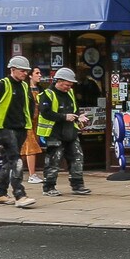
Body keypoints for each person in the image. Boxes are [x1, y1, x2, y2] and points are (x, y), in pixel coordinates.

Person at [0, 54, 37, 207]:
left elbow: (29, 106)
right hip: (4, 128)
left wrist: (26, 125)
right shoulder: (2, 84)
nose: (25, 74)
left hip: (20, 127)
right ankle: (20, 195)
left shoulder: (24, 86)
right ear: (13, 70)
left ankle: (0, 194)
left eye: (26, 71)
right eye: (22, 71)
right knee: (16, 160)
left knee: (8, 162)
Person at [37, 66, 91, 197]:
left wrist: (80, 117)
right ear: (58, 81)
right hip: (54, 133)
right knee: (53, 161)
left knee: (77, 157)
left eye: (71, 85)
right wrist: (64, 117)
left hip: (70, 132)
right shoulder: (47, 94)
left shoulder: (70, 93)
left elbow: (75, 109)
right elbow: (45, 113)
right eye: (67, 85)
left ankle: (77, 185)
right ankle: (49, 187)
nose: (69, 88)